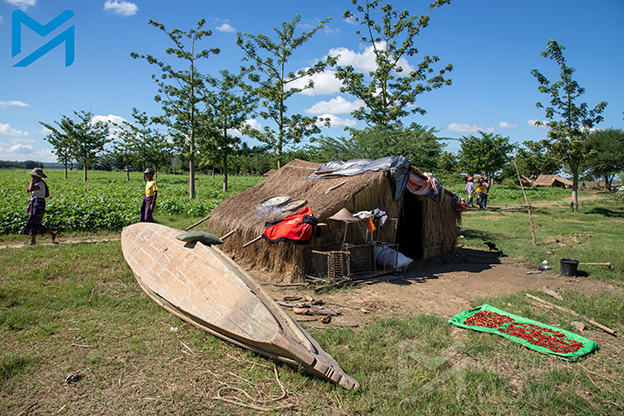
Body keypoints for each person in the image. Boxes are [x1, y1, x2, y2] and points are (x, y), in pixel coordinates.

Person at [22, 167, 57, 245]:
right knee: (33, 221)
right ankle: (51, 233)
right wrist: (29, 205)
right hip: (34, 202)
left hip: (39, 203)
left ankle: (34, 240)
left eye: (33, 176)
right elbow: (30, 192)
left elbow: (30, 189)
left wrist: (31, 181)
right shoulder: (36, 183)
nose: (33, 177)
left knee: (34, 221)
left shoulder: (40, 184)